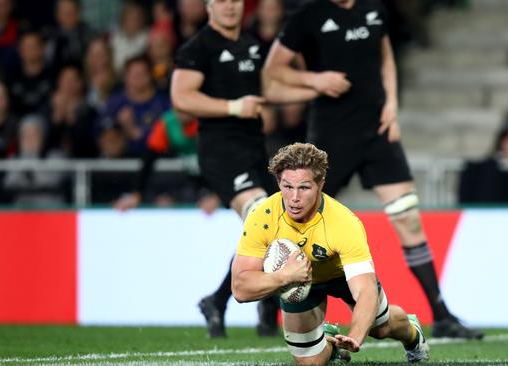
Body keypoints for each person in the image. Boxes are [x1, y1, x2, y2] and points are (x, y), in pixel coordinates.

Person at [263, 0, 482, 339]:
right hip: (332, 137)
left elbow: (385, 56)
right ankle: (261, 305)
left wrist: (392, 104)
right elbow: (273, 70)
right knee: (292, 217)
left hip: (377, 131)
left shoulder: (375, 8)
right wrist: (315, 80)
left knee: (407, 217)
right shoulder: (308, 16)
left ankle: (442, 315)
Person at [171, 0, 313, 338]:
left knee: (271, 222)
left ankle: (219, 302)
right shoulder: (197, 48)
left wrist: (316, 88)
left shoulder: (251, 45)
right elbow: (182, 97)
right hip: (221, 151)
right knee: (261, 214)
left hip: (254, 149)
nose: (230, 6)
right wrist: (234, 106)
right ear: (208, 7)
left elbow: (268, 90)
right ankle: (262, 305)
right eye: (221, 0)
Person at [232, 142, 429, 364]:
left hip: (341, 276)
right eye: (287, 186)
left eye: (304, 187)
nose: (294, 197)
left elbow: (365, 291)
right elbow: (240, 289)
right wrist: (285, 277)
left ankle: (412, 333)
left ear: (321, 184)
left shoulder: (344, 223)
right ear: (279, 182)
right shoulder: (262, 216)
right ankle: (332, 346)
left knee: (380, 329)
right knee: (310, 363)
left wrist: (355, 336)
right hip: (296, 280)